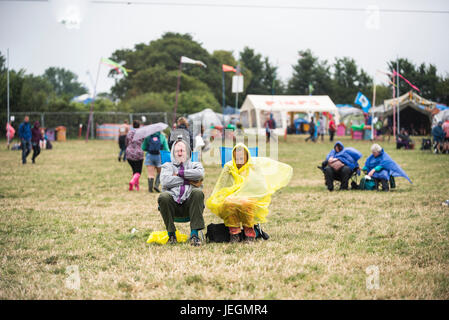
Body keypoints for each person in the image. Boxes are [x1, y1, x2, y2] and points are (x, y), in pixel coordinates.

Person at [206, 143, 293, 243]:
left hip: (250, 198)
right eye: (236, 156)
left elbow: (261, 187)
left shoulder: (253, 168)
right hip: (231, 198)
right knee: (228, 202)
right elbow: (221, 186)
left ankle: (249, 233)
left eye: (242, 156)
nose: (239, 158)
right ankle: (234, 234)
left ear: (247, 156)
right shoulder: (229, 167)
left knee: (245, 203)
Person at [158, 137, 205, 246]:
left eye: (182, 150)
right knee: (164, 196)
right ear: (173, 153)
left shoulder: (195, 165)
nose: (179, 153)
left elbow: (199, 174)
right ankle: (171, 235)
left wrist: (179, 173)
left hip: (191, 206)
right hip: (173, 206)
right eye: (177, 151)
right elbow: (165, 181)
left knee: (197, 192)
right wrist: (189, 179)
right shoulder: (167, 166)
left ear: (187, 152)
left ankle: (194, 235)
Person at [126, 120, 144, 191]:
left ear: (133, 125)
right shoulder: (141, 133)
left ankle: (136, 186)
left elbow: (126, 142)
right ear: (139, 125)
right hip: (138, 154)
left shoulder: (129, 132)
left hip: (129, 153)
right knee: (138, 172)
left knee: (134, 171)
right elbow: (144, 142)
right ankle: (132, 182)